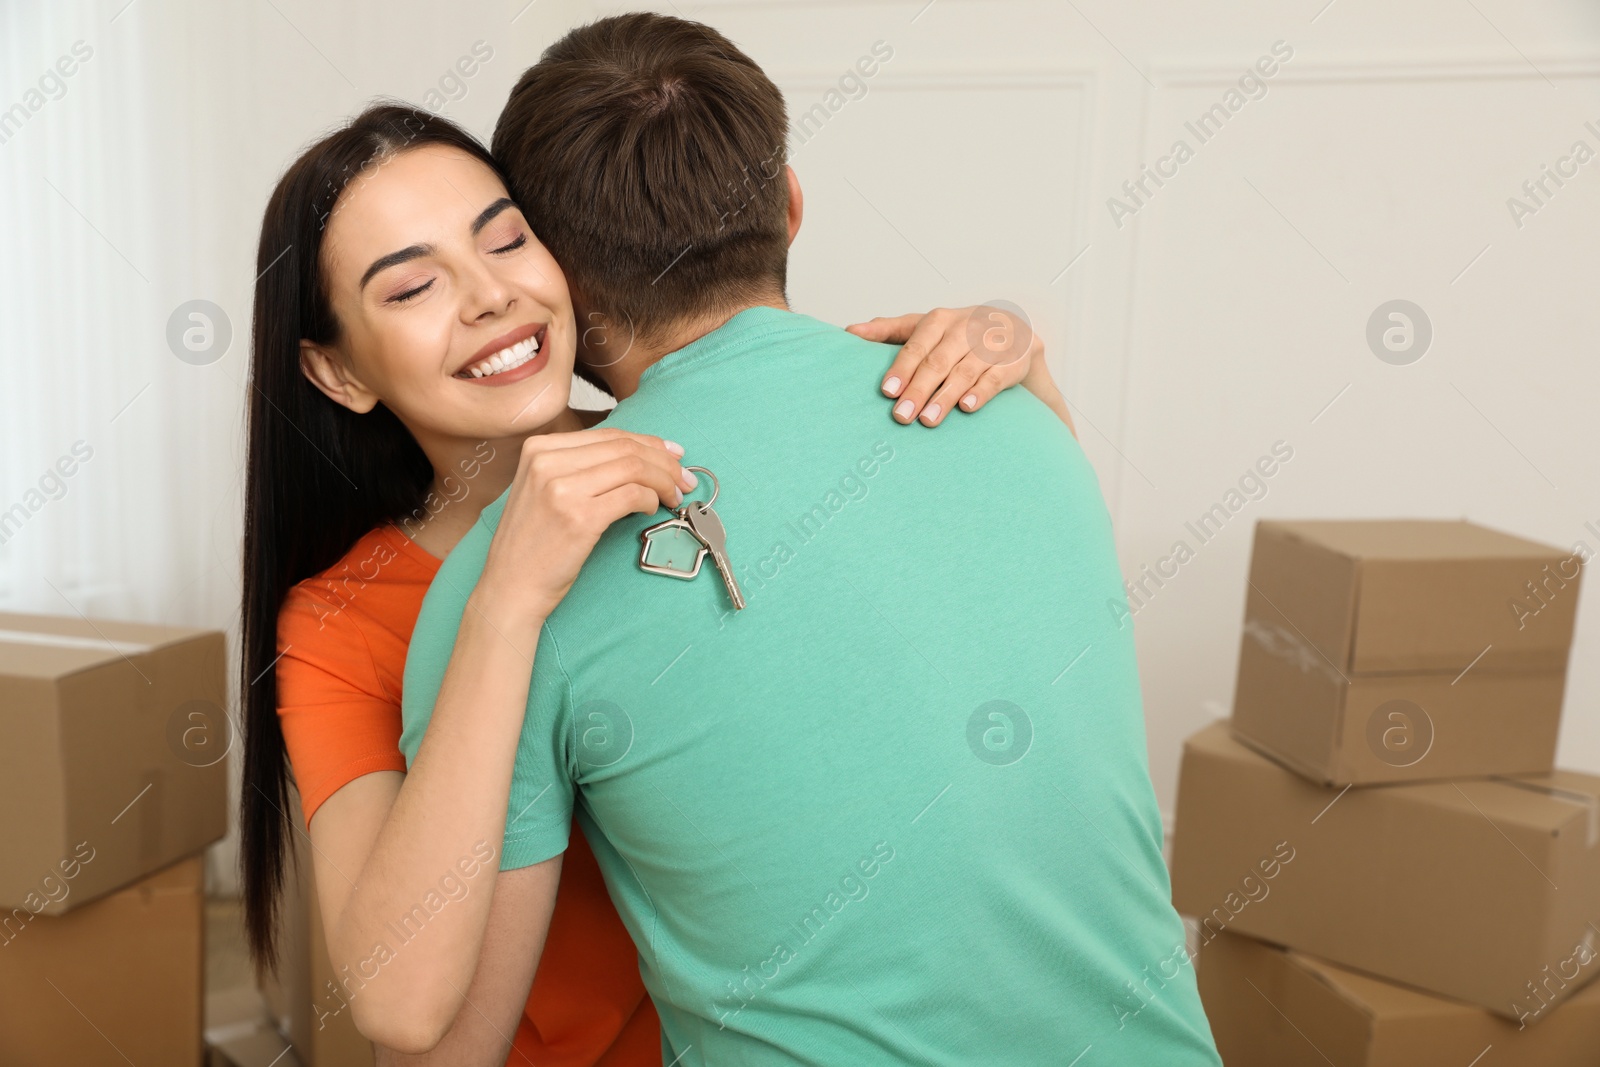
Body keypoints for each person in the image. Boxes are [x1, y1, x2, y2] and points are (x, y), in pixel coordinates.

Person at [400, 13, 1222, 1067]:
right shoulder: (1015, 408)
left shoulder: (512, 580)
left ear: (552, 275)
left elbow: (443, 1044)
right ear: (789, 205)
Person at [237, 104, 1067, 1064]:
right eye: (414, 286)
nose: (488, 297)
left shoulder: (721, 452)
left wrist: (1016, 397)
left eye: (507, 240)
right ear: (337, 372)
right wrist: (503, 600)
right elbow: (405, 1009)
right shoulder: (340, 620)